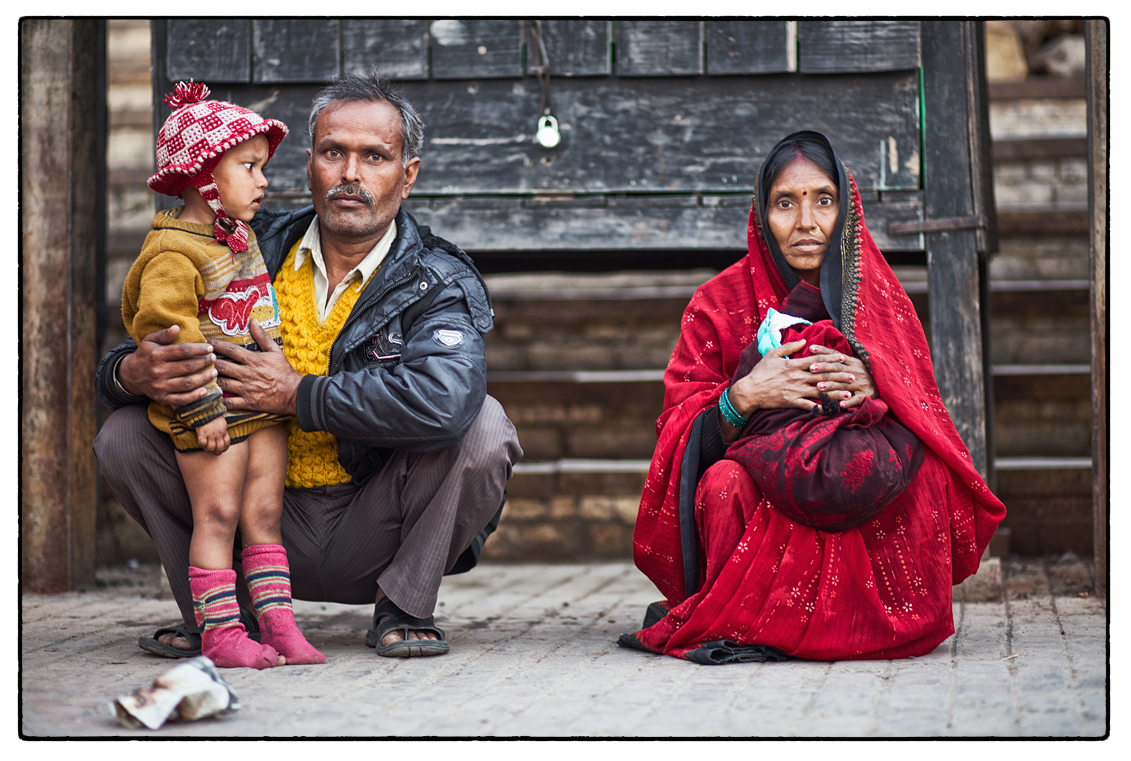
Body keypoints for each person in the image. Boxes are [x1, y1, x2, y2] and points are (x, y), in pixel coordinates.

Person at [95, 73, 522, 660]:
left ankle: (405, 606)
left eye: (375, 156)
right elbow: (151, 333)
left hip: (374, 525)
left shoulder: (437, 279)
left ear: (408, 175)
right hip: (247, 510)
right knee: (123, 435)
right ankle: (219, 614)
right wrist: (128, 375)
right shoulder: (242, 244)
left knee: (484, 424)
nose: (350, 174)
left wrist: (298, 394)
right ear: (309, 163)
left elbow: (443, 403)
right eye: (333, 153)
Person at [621, 131, 1005, 664]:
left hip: (859, 487)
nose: (806, 223)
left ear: (845, 209)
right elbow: (679, 440)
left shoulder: (880, 297)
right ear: (761, 214)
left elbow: (928, 417)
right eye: (785, 203)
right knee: (723, 482)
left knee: (928, 474)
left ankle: (870, 624)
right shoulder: (717, 304)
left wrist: (880, 384)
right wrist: (745, 396)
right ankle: (753, 617)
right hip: (766, 493)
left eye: (823, 201)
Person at [121, 81, 323, 669]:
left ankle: (278, 622)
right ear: (204, 175)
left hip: (260, 404)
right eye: (249, 167)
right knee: (219, 516)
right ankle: (221, 632)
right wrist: (203, 410)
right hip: (212, 409)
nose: (263, 182)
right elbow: (171, 339)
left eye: (262, 168)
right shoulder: (172, 254)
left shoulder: (237, 238)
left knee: (264, 516)